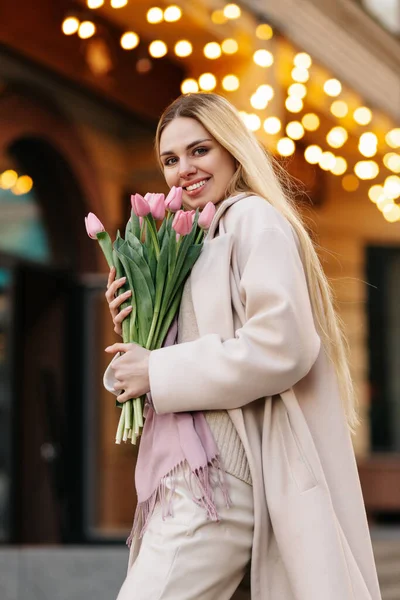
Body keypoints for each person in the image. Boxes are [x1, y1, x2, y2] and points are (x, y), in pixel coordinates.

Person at [104, 93, 381, 600]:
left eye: (199, 151)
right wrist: (135, 328)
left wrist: (158, 371)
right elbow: (176, 359)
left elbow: (283, 344)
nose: (183, 169)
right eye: (170, 159)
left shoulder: (251, 219)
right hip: (186, 478)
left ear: (232, 150)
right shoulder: (195, 237)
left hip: (220, 479)